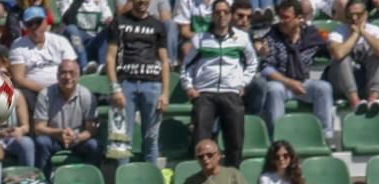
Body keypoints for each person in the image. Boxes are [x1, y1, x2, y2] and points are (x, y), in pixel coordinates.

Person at [180, 0, 257, 168]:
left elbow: (252, 63)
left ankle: (233, 177)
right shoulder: (199, 39)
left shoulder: (242, 38)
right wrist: (189, 87)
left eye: (225, 12)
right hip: (205, 93)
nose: (222, 15)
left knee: (235, 140)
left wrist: (242, 84)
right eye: (218, 12)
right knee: (201, 139)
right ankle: (200, 177)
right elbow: (186, 66)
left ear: (230, 15)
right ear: (212, 15)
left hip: (231, 92)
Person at [106, 0, 170, 165]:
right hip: (125, 84)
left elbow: (164, 61)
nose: (142, 1)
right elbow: (110, 58)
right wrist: (115, 88)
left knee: (151, 139)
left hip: (152, 85)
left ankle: (151, 181)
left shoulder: (158, 25)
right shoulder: (119, 22)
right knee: (121, 140)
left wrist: (165, 93)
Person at [261, 0, 333, 140]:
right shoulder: (272, 34)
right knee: (274, 89)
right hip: (281, 82)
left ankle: (324, 137)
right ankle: (278, 138)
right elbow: (265, 69)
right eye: (280, 17)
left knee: (323, 87)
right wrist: (289, 83)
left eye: (286, 17)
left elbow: (329, 51)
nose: (281, 21)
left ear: (299, 18)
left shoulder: (311, 34)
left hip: (303, 82)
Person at [33, 59, 101, 179]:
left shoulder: (86, 95)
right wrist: (59, 132)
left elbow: (91, 130)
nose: (67, 77)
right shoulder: (45, 94)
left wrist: (76, 137)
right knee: (41, 142)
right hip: (54, 138)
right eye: (63, 73)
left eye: (72, 73)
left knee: (94, 145)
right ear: (57, 75)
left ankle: (90, 181)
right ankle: (42, 183)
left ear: (78, 76)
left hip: (78, 139)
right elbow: (38, 128)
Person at [327, 0, 379, 114]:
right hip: (341, 84)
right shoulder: (337, 33)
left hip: (365, 81)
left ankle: (372, 100)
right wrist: (355, 34)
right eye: (350, 15)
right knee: (342, 58)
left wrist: (363, 32)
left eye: (358, 15)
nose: (354, 18)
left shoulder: (376, 31)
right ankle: (355, 102)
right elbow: (338, 54)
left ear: (365, 14)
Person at [10, 6, 77, 109]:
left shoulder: (60, 41)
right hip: (33, 92)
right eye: (30, 24)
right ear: (25, 26)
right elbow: (18, 79)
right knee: (23, 94)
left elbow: (72, 69)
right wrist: (45, 90)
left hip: (62, 87)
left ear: (46, 22)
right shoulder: (18, 45)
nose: (34, 27)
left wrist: (61, 88)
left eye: (38, 22)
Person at [0, 58, 35, 167]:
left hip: (12, 138)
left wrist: (19, 130)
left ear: (10, 76)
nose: (1, 77)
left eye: (4, 74)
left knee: (27, 143)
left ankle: (27, 178)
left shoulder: (17, 96)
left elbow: (25, 126)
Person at [59, 0, 113, 74]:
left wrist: (110, 21)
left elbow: (108, 18)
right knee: (72, 29)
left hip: (92, 43)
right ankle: (84, 66)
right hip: (75, 45)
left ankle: (102, 65)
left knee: (109, 29)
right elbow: (67, 19)